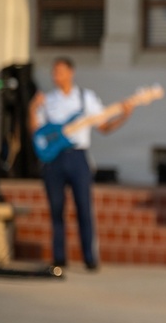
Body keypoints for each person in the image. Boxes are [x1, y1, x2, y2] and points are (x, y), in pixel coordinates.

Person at [29, 57, 132, 271]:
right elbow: (36, 133)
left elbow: (103, 126)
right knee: (56, 209)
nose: (56, 75)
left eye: (60, 71)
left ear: (70, 72)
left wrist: (124, 115)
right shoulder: (47, 100)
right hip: (54, 159)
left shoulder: (86, 99)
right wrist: (32, 109)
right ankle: (59, 258)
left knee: (84, 208)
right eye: (53, 71)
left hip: (78, 157)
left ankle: (89, 258)